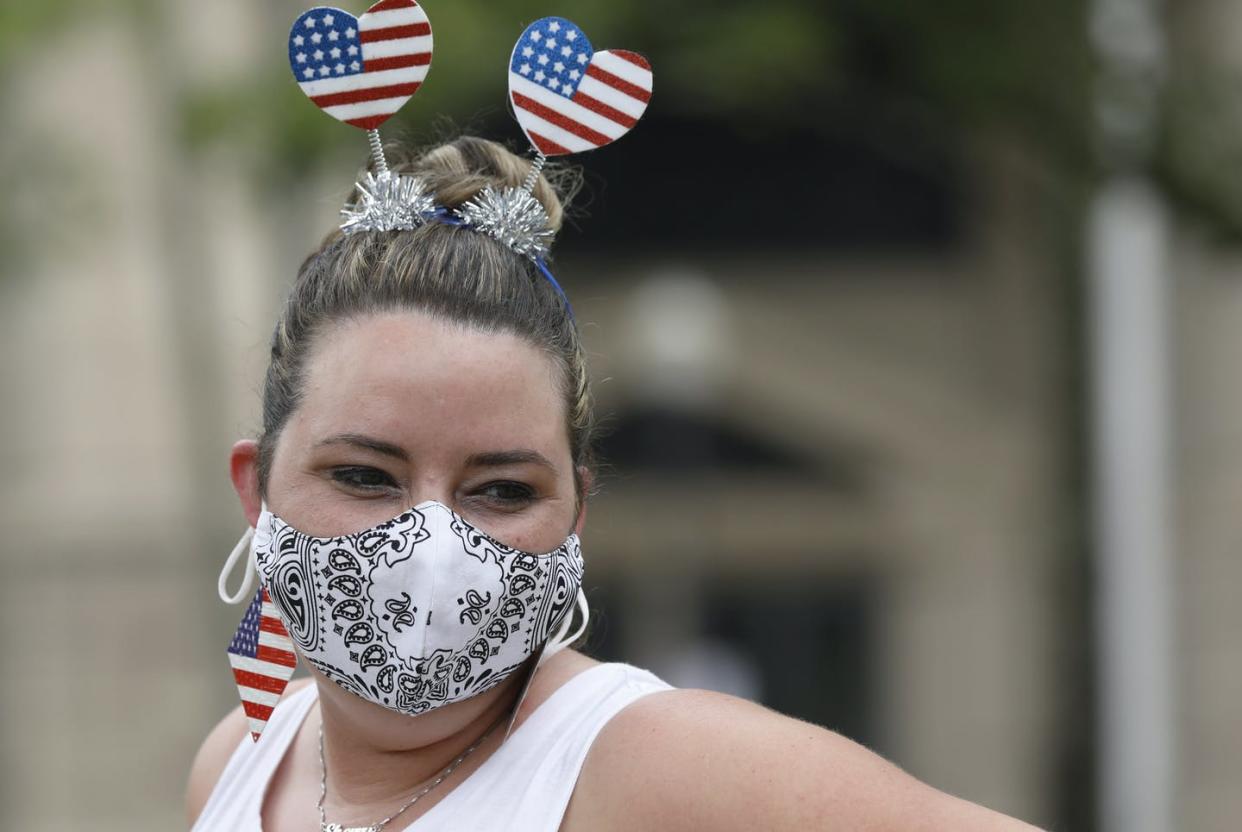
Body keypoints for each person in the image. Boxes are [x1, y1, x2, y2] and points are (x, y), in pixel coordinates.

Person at [185, 136, 1042, 831]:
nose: (431, 544)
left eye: (502, 491)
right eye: (367, 476)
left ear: (576, 515)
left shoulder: (647, 762)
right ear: (255, 491)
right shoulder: (245, 757)